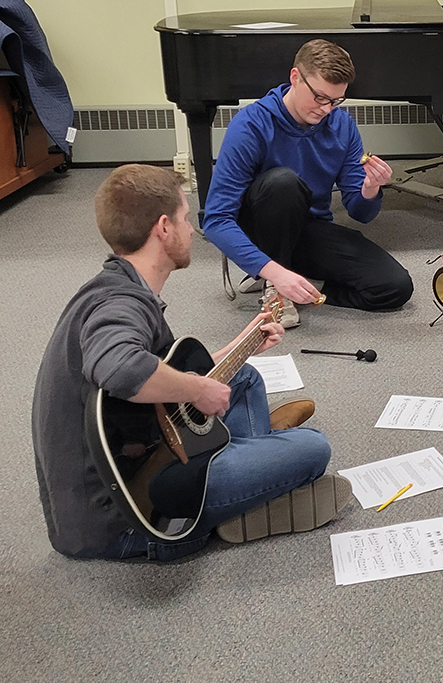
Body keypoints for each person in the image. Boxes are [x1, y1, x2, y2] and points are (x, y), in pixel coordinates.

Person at [32, 164, 352, 561]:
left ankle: (255, 461)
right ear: (163, 228)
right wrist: (199, 389)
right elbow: (120, 367)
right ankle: (251, 484)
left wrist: (242, 345)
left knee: (245, 376)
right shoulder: (121, 303)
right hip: (126, 518)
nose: (192, 231)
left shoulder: (114, 284)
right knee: (313, 447)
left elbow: (156, 373)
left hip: (141, 444)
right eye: (185, 219)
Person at [203, 39, 414, 328]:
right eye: (319, 97)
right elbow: (216, 220)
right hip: (260, 228)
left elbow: (361, 214)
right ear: (295, 78)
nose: (327, 109)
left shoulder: (342, 125)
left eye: (336, 101)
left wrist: (370, 189)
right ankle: (275, 284)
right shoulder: (251, 124)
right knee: (283, 183)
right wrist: (272, 270)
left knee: (394, 287)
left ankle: (298, 285)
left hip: (308, 228)